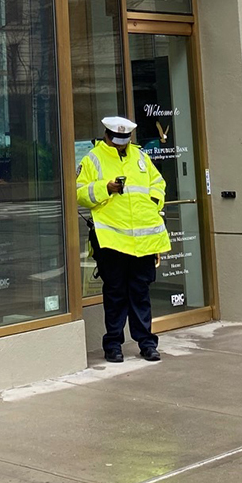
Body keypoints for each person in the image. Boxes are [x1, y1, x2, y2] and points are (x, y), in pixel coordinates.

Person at [76, 115, 171, 363]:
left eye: (125, 140)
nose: (121, 144)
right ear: (107, 135)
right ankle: (113, 345)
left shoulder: (140, 156)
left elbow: (158, 183)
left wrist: (152, 202)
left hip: (143, 241)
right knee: (115, 294)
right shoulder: (92, 159)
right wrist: (105, 188)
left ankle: (147, 343)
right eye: (117, 140)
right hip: (112, 241)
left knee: (140, 293)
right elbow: (78, 193)